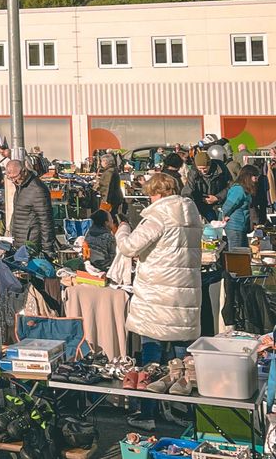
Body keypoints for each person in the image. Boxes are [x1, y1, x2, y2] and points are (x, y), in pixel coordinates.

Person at [117, 172, 202, 430]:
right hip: (184, 296)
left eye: (150, 194)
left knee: (151, 356)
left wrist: (122, 229)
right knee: (183, 361)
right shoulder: (192, 213)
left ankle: (147, 413)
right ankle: (183, 411)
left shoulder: (158, 216)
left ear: (157, 193)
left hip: (157, 296)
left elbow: (130, 247)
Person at [5, 160, 55, 253]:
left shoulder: (37, 189)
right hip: (20, 240)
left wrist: (48, 249)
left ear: (24, 171)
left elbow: (46, 221)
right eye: (10, 178)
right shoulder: (20, 186)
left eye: (15, 177)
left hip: (32, 242)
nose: (13, 181)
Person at [181, 151, 229, 222]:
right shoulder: (193, 173)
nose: (203, 171)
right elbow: (188, 189)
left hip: (219, 203)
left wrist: (217, 197)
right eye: (200, 169)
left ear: (210, 164)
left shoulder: (221, 169)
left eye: (204, 168)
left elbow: (230, 185)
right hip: (202, 203)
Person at [223, 164, 259, 248]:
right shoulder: (238, 190)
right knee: (237, 253)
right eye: (255, 177)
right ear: (248, 176)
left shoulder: (244, 190)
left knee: (244, 252)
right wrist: (223, 217)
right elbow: (228, 205)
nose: (256, 180)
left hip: (240, 227)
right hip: (235, 227)